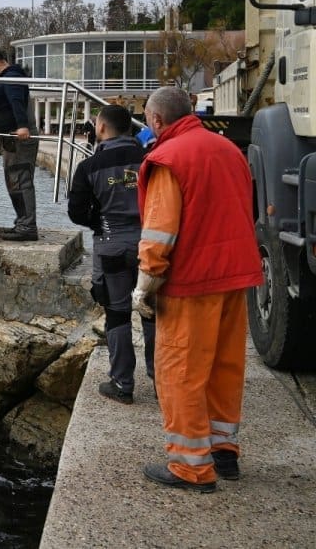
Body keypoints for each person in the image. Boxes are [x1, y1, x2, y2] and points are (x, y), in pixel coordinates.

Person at [132, 86, 261, 493]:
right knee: (225, 367)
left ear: (156, 120)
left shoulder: (168, 158)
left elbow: (159, 231)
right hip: (235, 275)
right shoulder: (230, 151)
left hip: (191, 282)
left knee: (181, 372)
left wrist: (145, 284)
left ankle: (191, 467)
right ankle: (224, 452)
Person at [67, 104, 154, 404]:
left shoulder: (89, 167)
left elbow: (76, 212)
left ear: (101, 127)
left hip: (111, 243)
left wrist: (100, 221)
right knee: (153, 312)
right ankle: (162, 379)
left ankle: (122, 383)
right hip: (150, 243)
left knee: (117, 314)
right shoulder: (150, 158)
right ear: (130, 128)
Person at [0, 48, 39, 240]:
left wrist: (22, 126)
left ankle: (27, 226)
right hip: (11, 139)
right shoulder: (8, 77)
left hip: (19, 138)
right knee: (14, 181)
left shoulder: (12, 76)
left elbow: (16, 101)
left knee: (21, 180)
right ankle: (22, 222)